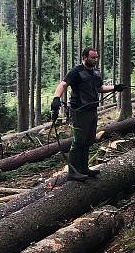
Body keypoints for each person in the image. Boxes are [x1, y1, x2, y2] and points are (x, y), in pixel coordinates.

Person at [51, 48, 124, 181]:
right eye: (92, 57)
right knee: (79, 141)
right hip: (79, 111)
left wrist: (115, 87)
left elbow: (100, 88)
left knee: (89, 140)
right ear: (84, 57)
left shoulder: (96, 73)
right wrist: (56, 98)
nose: (95, 60)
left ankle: (84, 168)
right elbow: (63, 84)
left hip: (92, 110)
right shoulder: (76, 71)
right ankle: (72, 172)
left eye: (96, 57)